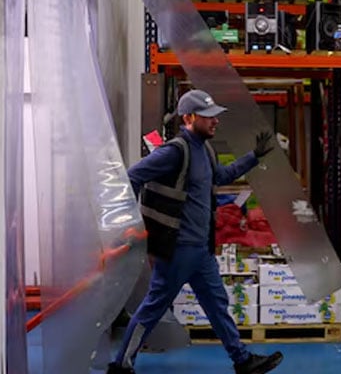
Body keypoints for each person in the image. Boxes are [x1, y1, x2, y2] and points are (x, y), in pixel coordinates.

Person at [107, 89, 283, 374]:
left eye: (216, 117)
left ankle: (242, 361)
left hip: (201, 250)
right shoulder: (175, 151)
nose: (215, 122)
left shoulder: (206, 150)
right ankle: (120, 365)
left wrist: (254, 156)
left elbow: (222, 176)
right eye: (208, 116)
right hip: (177, 249)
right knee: (153, 307)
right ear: (188, 117)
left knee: (217, 304)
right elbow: (133, 176)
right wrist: (132, 223)